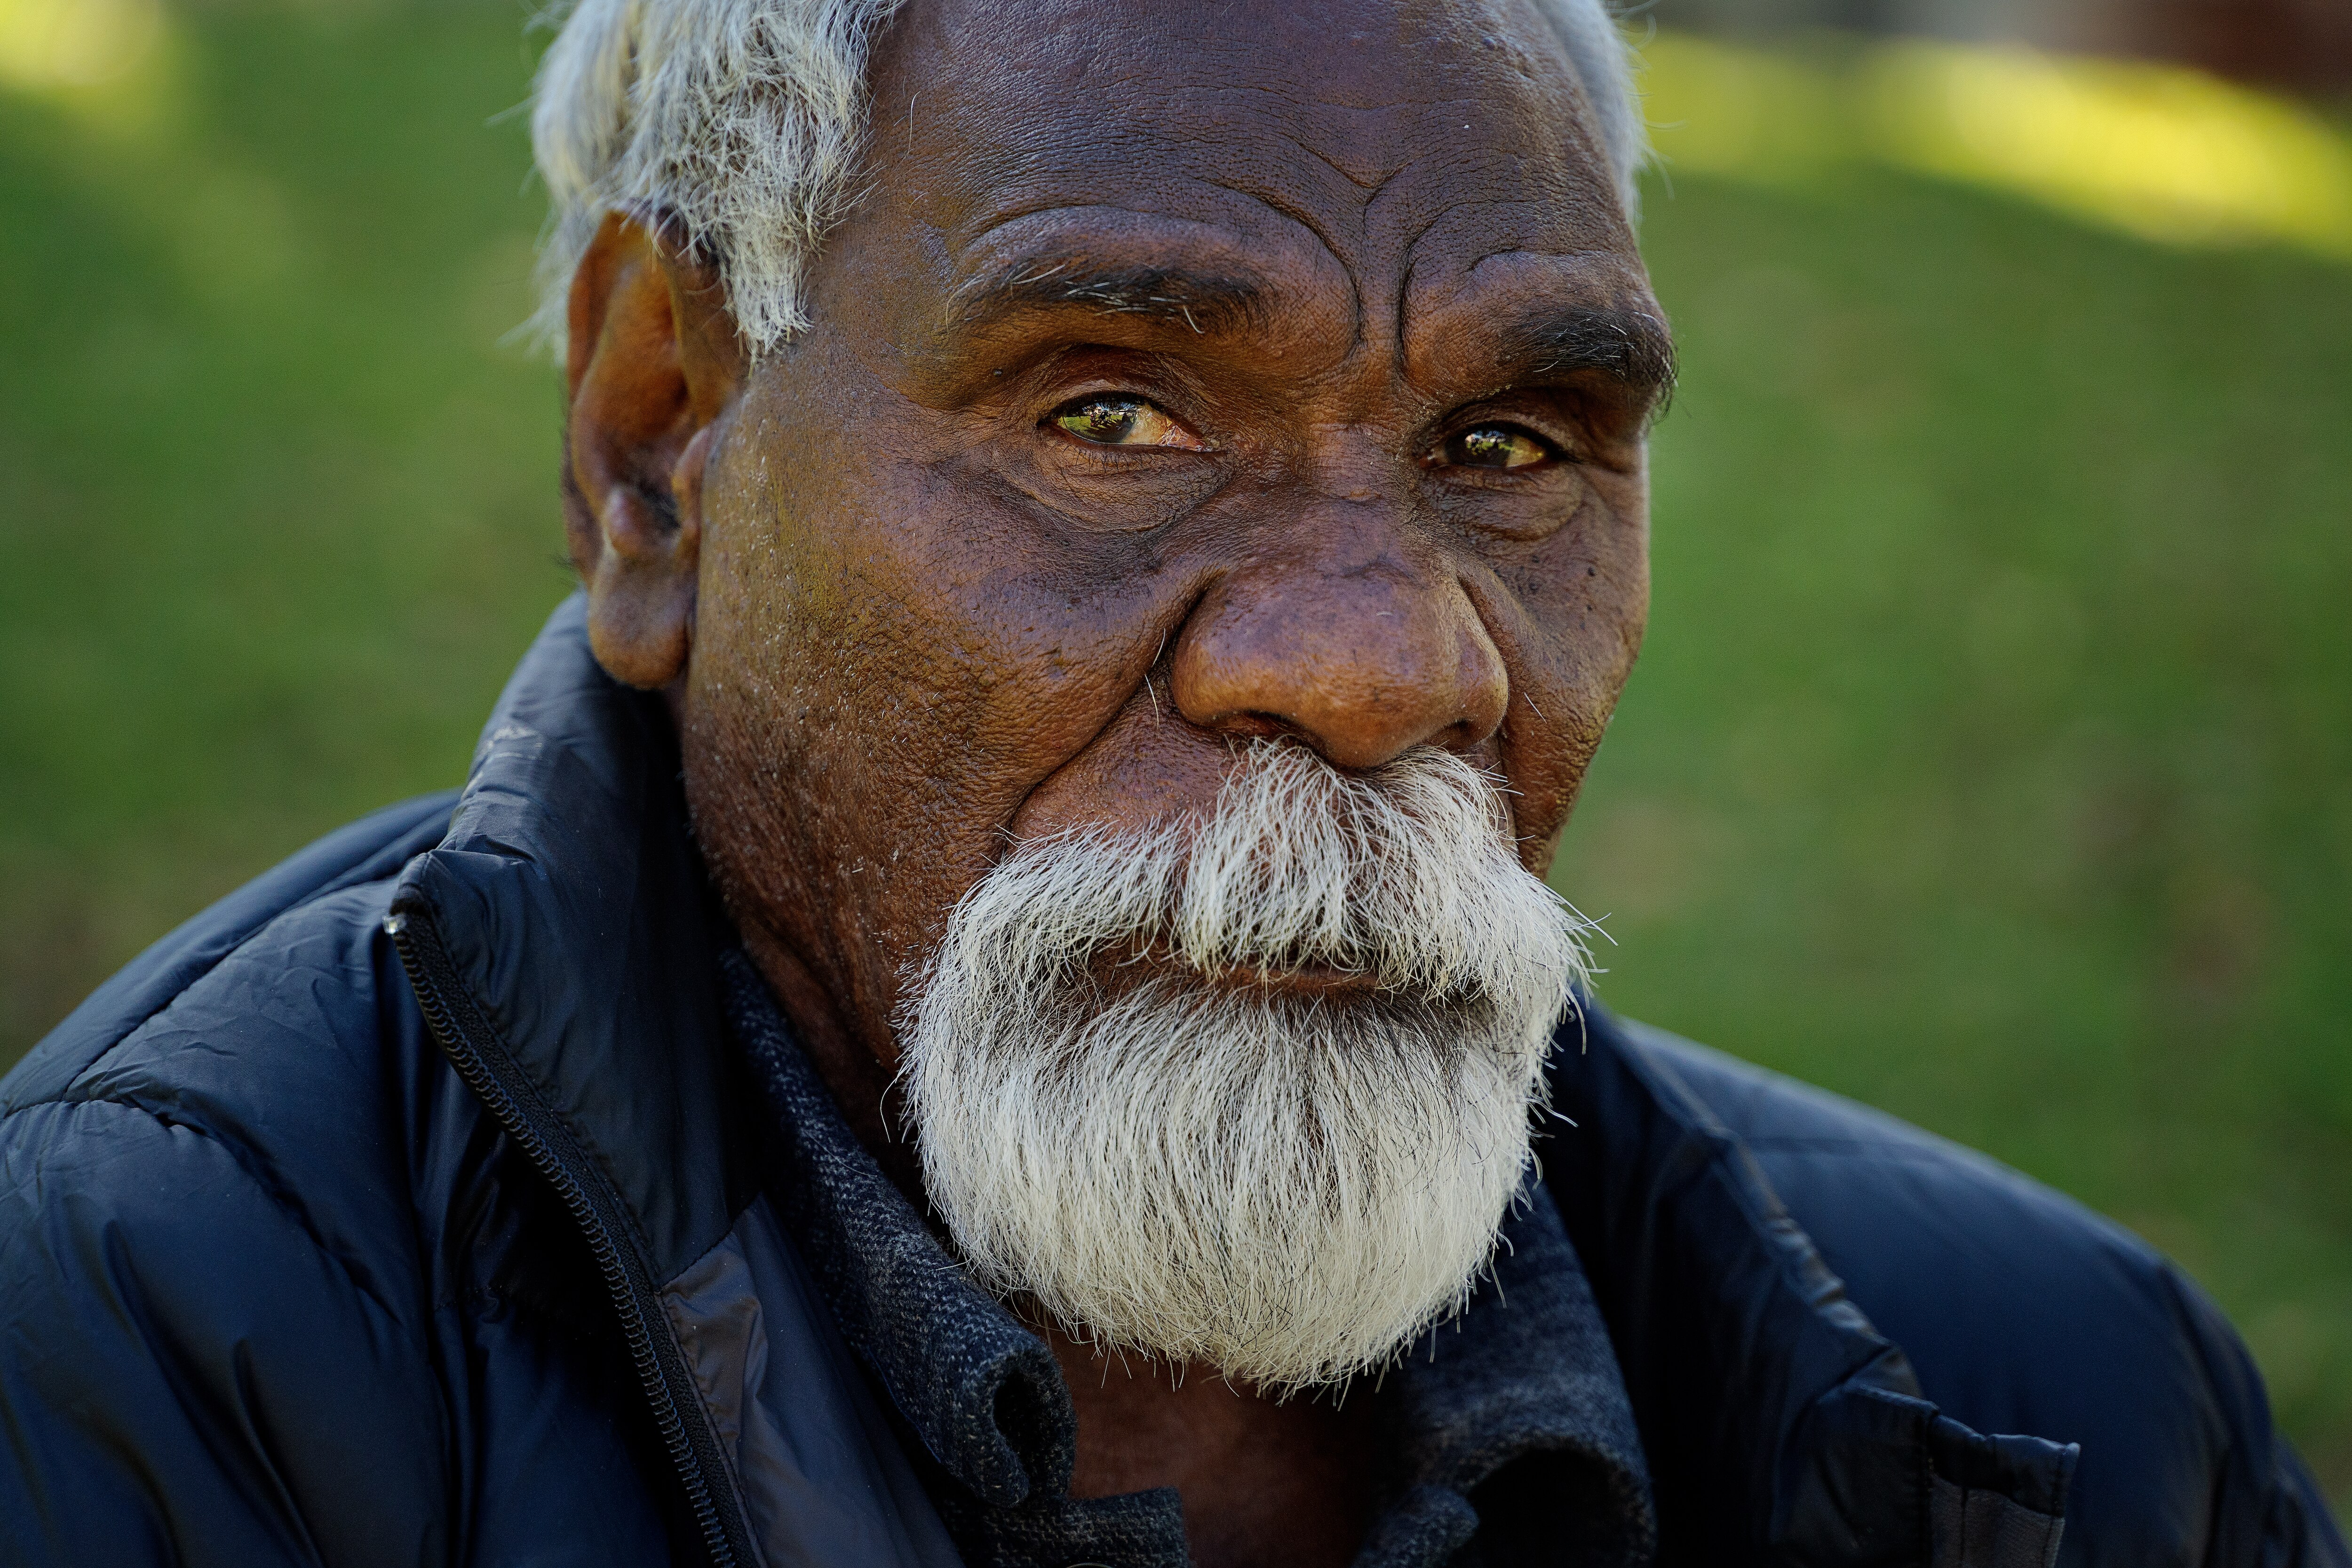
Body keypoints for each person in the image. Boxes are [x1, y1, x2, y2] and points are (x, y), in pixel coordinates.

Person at [0, 0, 2342, 1563]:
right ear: (656, 444)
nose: (1375, 664)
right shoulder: (164, 1339)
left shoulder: (2070, 1414)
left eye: (1506, 447)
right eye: (1108, 414)